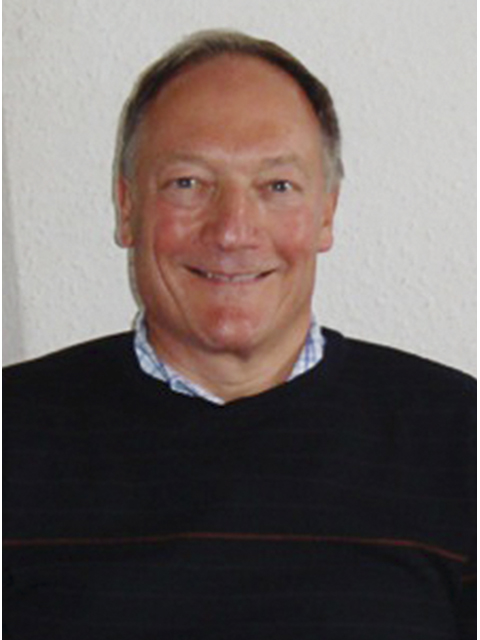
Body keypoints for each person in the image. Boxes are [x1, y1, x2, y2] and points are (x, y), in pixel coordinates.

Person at [4, 30, 475, 639]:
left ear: (326, 213)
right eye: (188, 183)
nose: (232, 231)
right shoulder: (11, 432)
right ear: (127, 207)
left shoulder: (458, 437)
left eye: (277, 187)